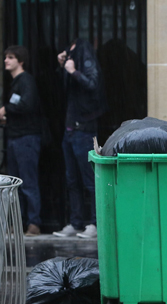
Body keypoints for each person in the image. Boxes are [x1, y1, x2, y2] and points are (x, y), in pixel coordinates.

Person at [53, 38, 107, 239]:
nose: (68, 53)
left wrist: (73, 71)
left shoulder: (85, 64)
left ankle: (93, 223)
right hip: (70, 131)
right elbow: (64, 92)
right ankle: (75, 222)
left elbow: (93, 84)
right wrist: (63, 68)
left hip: (83, 130)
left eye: (71, 50)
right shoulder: (72, 66)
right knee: (72, 180)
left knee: (89, 179)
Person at [0, 45, 44, 237]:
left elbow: (27, 104)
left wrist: (6, 110)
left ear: (20, 61)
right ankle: (19, 223)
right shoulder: (16, 82)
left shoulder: (25, 80)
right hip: (16, 137)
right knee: (17, 184)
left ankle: (33, 223)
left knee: (28, 182)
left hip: (26, 138)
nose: (6, 60)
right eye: (5, 57)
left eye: (11, 57)